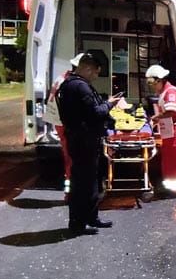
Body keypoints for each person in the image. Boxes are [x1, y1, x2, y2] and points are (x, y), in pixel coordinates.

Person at [57, 53, 120, 235]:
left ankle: (91, 217)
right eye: (95, 73)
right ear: (86, 68)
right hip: (84, 142)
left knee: (90, 181)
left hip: (80, 140)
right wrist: (109, 104)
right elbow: (94, 113)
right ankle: (78, 224)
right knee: (83, 184)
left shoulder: (68, 84)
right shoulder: (80, 87)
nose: (95, 77)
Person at [146, 64, 176, 196]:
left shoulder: (171, 92)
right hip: (169, 130)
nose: (152, 86)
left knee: (174, 160)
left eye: (152, 83)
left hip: (175, 129)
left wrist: (156, 117)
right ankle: (169, 187)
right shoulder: (164, 92)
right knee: (168, 159)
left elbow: (172, 111)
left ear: (160, 80)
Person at [43, 53, 84, 199]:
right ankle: (71, 192)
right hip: (66, 124)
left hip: (59, 123)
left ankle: (70, 189)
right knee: (74, 157)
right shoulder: (71, 84)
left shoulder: (61, 78)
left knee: (69, 156)